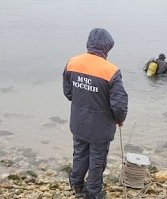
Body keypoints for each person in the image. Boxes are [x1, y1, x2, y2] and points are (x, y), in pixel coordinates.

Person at [63, 28, 128, 199]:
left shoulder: (72, 63)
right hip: (100, 127)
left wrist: (83, 101)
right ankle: (93, 192)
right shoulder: (111, 71)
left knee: (80, 154)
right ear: (107, 47)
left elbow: (68, 93)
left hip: (78, 122)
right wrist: (119, 119)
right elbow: (119, 104)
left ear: (89, 44)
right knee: (97, 160)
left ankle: (77, 185)